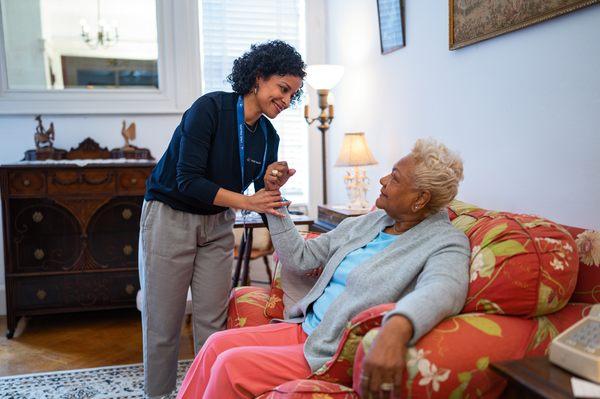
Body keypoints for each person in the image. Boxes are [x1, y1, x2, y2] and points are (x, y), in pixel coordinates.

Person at [177, 138, 471, 399]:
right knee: (216, 344)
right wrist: (274, 196)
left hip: (332, 349)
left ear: (420, 199)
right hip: (307, 328)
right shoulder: (372, 222)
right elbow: (301, 257)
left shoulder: (446, 242)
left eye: (394, 178)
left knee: (231, 367)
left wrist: (398, 326)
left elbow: (443, 289)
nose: (382, 180)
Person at [139, 40, 305, 397]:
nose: (287, 100)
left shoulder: (268, 136)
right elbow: (189, 179)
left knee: (213, 324)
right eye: (283, 89)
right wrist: (249, 200)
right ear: (258, 78)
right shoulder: (210, 109)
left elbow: (261, 188)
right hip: (171, 216)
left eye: (294, 93)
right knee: (163, 326)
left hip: (217, 225)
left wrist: (273, 179)